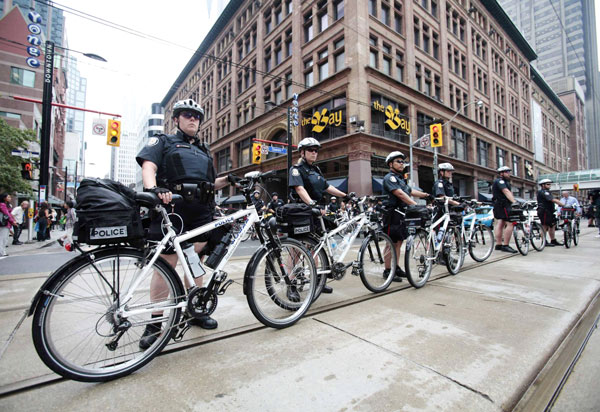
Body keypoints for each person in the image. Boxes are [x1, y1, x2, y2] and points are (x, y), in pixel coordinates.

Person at [136, 98, 240, 349]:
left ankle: (195, 310)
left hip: (201, 212)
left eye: (196, 115)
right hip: (173, 209)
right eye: (186, 114)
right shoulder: (163, 141)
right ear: (176, 119)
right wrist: (153, 190)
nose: (192, 118)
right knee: (166, 265)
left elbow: (210, 184)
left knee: (196, 263)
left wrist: (229, 179)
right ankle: (155, 322)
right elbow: (149, 167)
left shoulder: (204, 150)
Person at [289, 137, 348, 294]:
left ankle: (317, 282)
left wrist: (345, 195)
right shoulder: (296, 169)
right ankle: (291, 284)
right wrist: (311, 204)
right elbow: (299, 189)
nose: (314, 153)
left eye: (316, 150)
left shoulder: (316, 170)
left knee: (316, 247)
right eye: (311, 150)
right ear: (302, 152)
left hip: (316, 213)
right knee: (297, 249)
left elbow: (327, 187)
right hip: (302, 212)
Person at [382, 151, 432, 281]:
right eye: (398, 161)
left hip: (401, 214)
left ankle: (396, 267)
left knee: (398, 242)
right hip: (392, 214)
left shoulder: (400, 179)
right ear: (390, 164)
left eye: (403, 161)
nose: (401, 164)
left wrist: (426, 195)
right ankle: (387, 270)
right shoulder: (390, 178)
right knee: (390, 243)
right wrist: (415, 205)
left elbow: (410, 191)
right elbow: (400, 194)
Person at [492, 166, 518, 253]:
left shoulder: (504, 181)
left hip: (500, 204)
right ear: (501, 173)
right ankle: (505, 245)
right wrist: (514, 202)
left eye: (509, 172)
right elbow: (506, 191)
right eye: (507, 172)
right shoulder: (500, 181)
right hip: (502, 205)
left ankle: (499, 245)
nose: (509, 173)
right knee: (510, 223)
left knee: (501, 223)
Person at [536, 179, 565, 246]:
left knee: (552, 225)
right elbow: (552, 199)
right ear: (543, 185)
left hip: (549, 211)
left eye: (550, 184)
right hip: (544, 211)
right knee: (544, 226)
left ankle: (553, 240)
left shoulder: (547, 191)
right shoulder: (543, 192)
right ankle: (544, 242)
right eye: (548, 184)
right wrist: (563, 204)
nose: (549, 185)